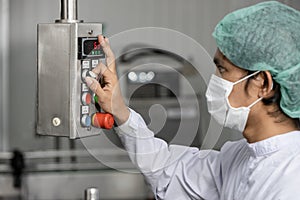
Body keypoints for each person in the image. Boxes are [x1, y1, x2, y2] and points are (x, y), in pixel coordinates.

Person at [85, 1, 300, 199]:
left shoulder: (291, 180)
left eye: (223, 70)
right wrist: (120, 111)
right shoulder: (240, 157)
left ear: (262, 83)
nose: (214, 80)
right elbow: (167, 172)